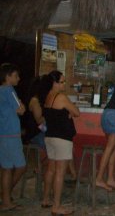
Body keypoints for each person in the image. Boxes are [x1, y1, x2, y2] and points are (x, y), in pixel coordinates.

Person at [41, 70, 80, 215]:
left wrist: (67, 112)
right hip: (62, 138)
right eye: (62, 81)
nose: (64, 84)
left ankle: (46, 199)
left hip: (49, 137)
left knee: (51, 169)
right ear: (54, 83)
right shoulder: (62, 97)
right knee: (60, 172)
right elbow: (77, 112)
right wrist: (69, 111)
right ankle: (56, 206)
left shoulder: (48, 96)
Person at [0, 63, 26, 211]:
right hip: (11, 134)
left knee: (7, 168)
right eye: (16, 75)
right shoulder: (9, 90)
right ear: (8, 76)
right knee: (20, 166)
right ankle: (5, 196)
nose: (18, 78)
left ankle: (5, 199)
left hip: (3, 133)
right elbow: (21, 110)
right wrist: (22, 105)